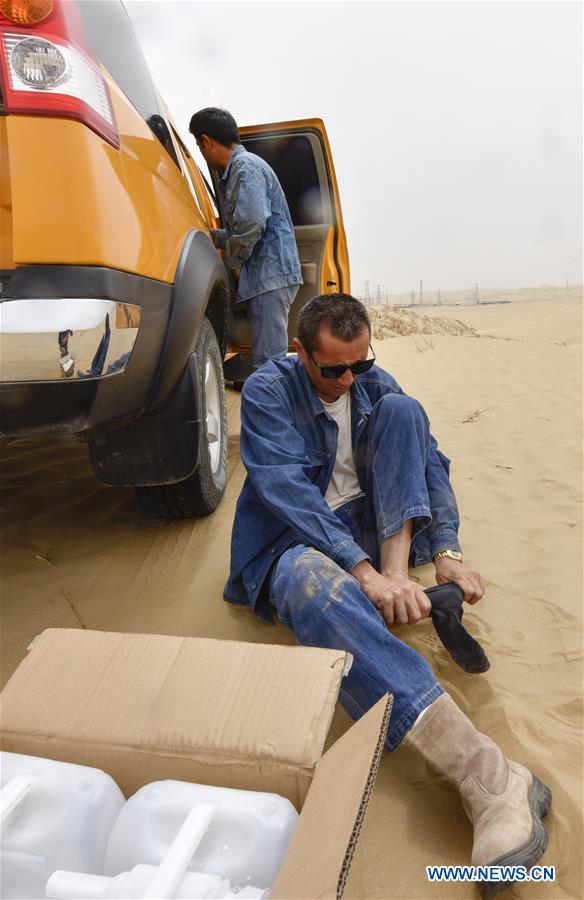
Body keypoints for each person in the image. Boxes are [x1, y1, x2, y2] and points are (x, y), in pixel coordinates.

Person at [225, 293, 551, 892]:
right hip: (296, 540)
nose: (349, 379)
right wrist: (360, 571)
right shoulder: (269, 392)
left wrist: (446, 553)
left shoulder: (374, 383)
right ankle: (491, 772)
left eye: (361, 364)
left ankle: (400, 587)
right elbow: (285, 493)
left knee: (404, 411)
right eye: (333, 369)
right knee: (309, 584)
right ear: (300, 353)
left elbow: (430, 461)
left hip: (377, 538)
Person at [189, 107, 302, 369]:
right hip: (270, 276)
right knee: (268, 359)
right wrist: (213, 237)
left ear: (206, 141)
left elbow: (251, 223)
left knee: (268, 365)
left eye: (199, 145)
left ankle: (272, 409)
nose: (202, 152)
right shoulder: (248, 166)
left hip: (268, 276)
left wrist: (234, 261)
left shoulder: (244, 167)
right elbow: (244, 225)